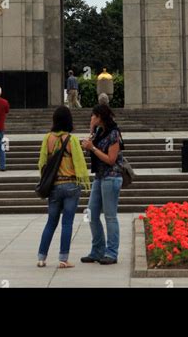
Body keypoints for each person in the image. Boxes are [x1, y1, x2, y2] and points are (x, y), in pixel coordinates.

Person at [37, 106, 90, 268]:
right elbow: (79, 163)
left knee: (51, 222)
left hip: (54, 186)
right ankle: (63, 259)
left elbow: (42, 163)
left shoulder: (48, 138)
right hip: (71, 185)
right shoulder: (72, 140)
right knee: (67, 223)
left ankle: (41, 257)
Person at [81, 104, 124, 264]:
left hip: (111, 177)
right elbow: (92, 148)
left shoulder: (114, 133)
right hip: (99, 177)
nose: (91, 118)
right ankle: (97, 250)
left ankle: (112, 253)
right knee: (91, 214)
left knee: (110, 216)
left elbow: (111, 159)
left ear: (100, 116)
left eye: (93, 116)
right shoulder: (99, 131)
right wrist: (91, 130)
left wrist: (92, 148)